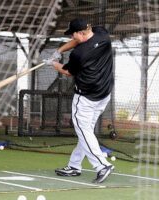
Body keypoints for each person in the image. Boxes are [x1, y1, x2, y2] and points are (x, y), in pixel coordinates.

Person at [43, 18, 114, 183]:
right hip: (103, 94)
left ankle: (102, 165)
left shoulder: (79, 54)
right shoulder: (101, 33)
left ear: (81, 32)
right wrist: (59, 51)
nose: (73, 38)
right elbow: (76, 41)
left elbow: (68, 72)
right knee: (86, 132)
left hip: (86, 98)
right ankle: (74, 166)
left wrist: (53, 63)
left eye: (73, 35)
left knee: (83, 131)